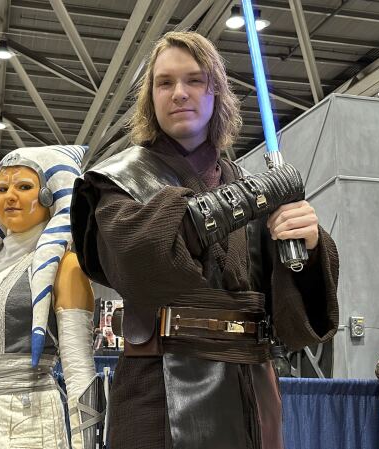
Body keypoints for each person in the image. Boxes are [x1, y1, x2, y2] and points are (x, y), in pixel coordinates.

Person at [71, 31, 339, 449]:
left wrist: (306, 245)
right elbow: (140, 261)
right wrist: (258, 195)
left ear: (216, 93)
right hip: (156, 395)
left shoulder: (253, 185)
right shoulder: (118, 180)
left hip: (251, 389)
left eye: (195, 80)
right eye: (165, 82)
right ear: (150, 97)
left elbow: (294, 323)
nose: (179, 93)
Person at [0, 145, 104, 449]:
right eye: (2, 188)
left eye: (24, 186)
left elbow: (80, 372)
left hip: (25, 421)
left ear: (49, 194)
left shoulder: (67, 267)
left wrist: (86, 444)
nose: (9, 196)